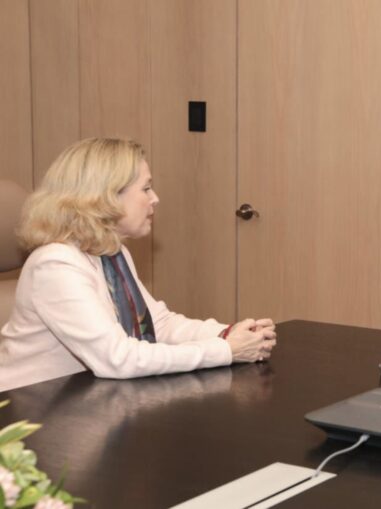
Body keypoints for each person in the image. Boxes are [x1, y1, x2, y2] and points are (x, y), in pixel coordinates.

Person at [0, 138, 276, 390]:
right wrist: (226, 350)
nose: (155, 198)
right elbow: (118, 359)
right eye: (145, 188)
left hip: (83, 397)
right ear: (105, 197)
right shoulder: (55, 265)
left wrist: (228, 333)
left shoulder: (111, 250)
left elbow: (157, 325)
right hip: (26, 417)